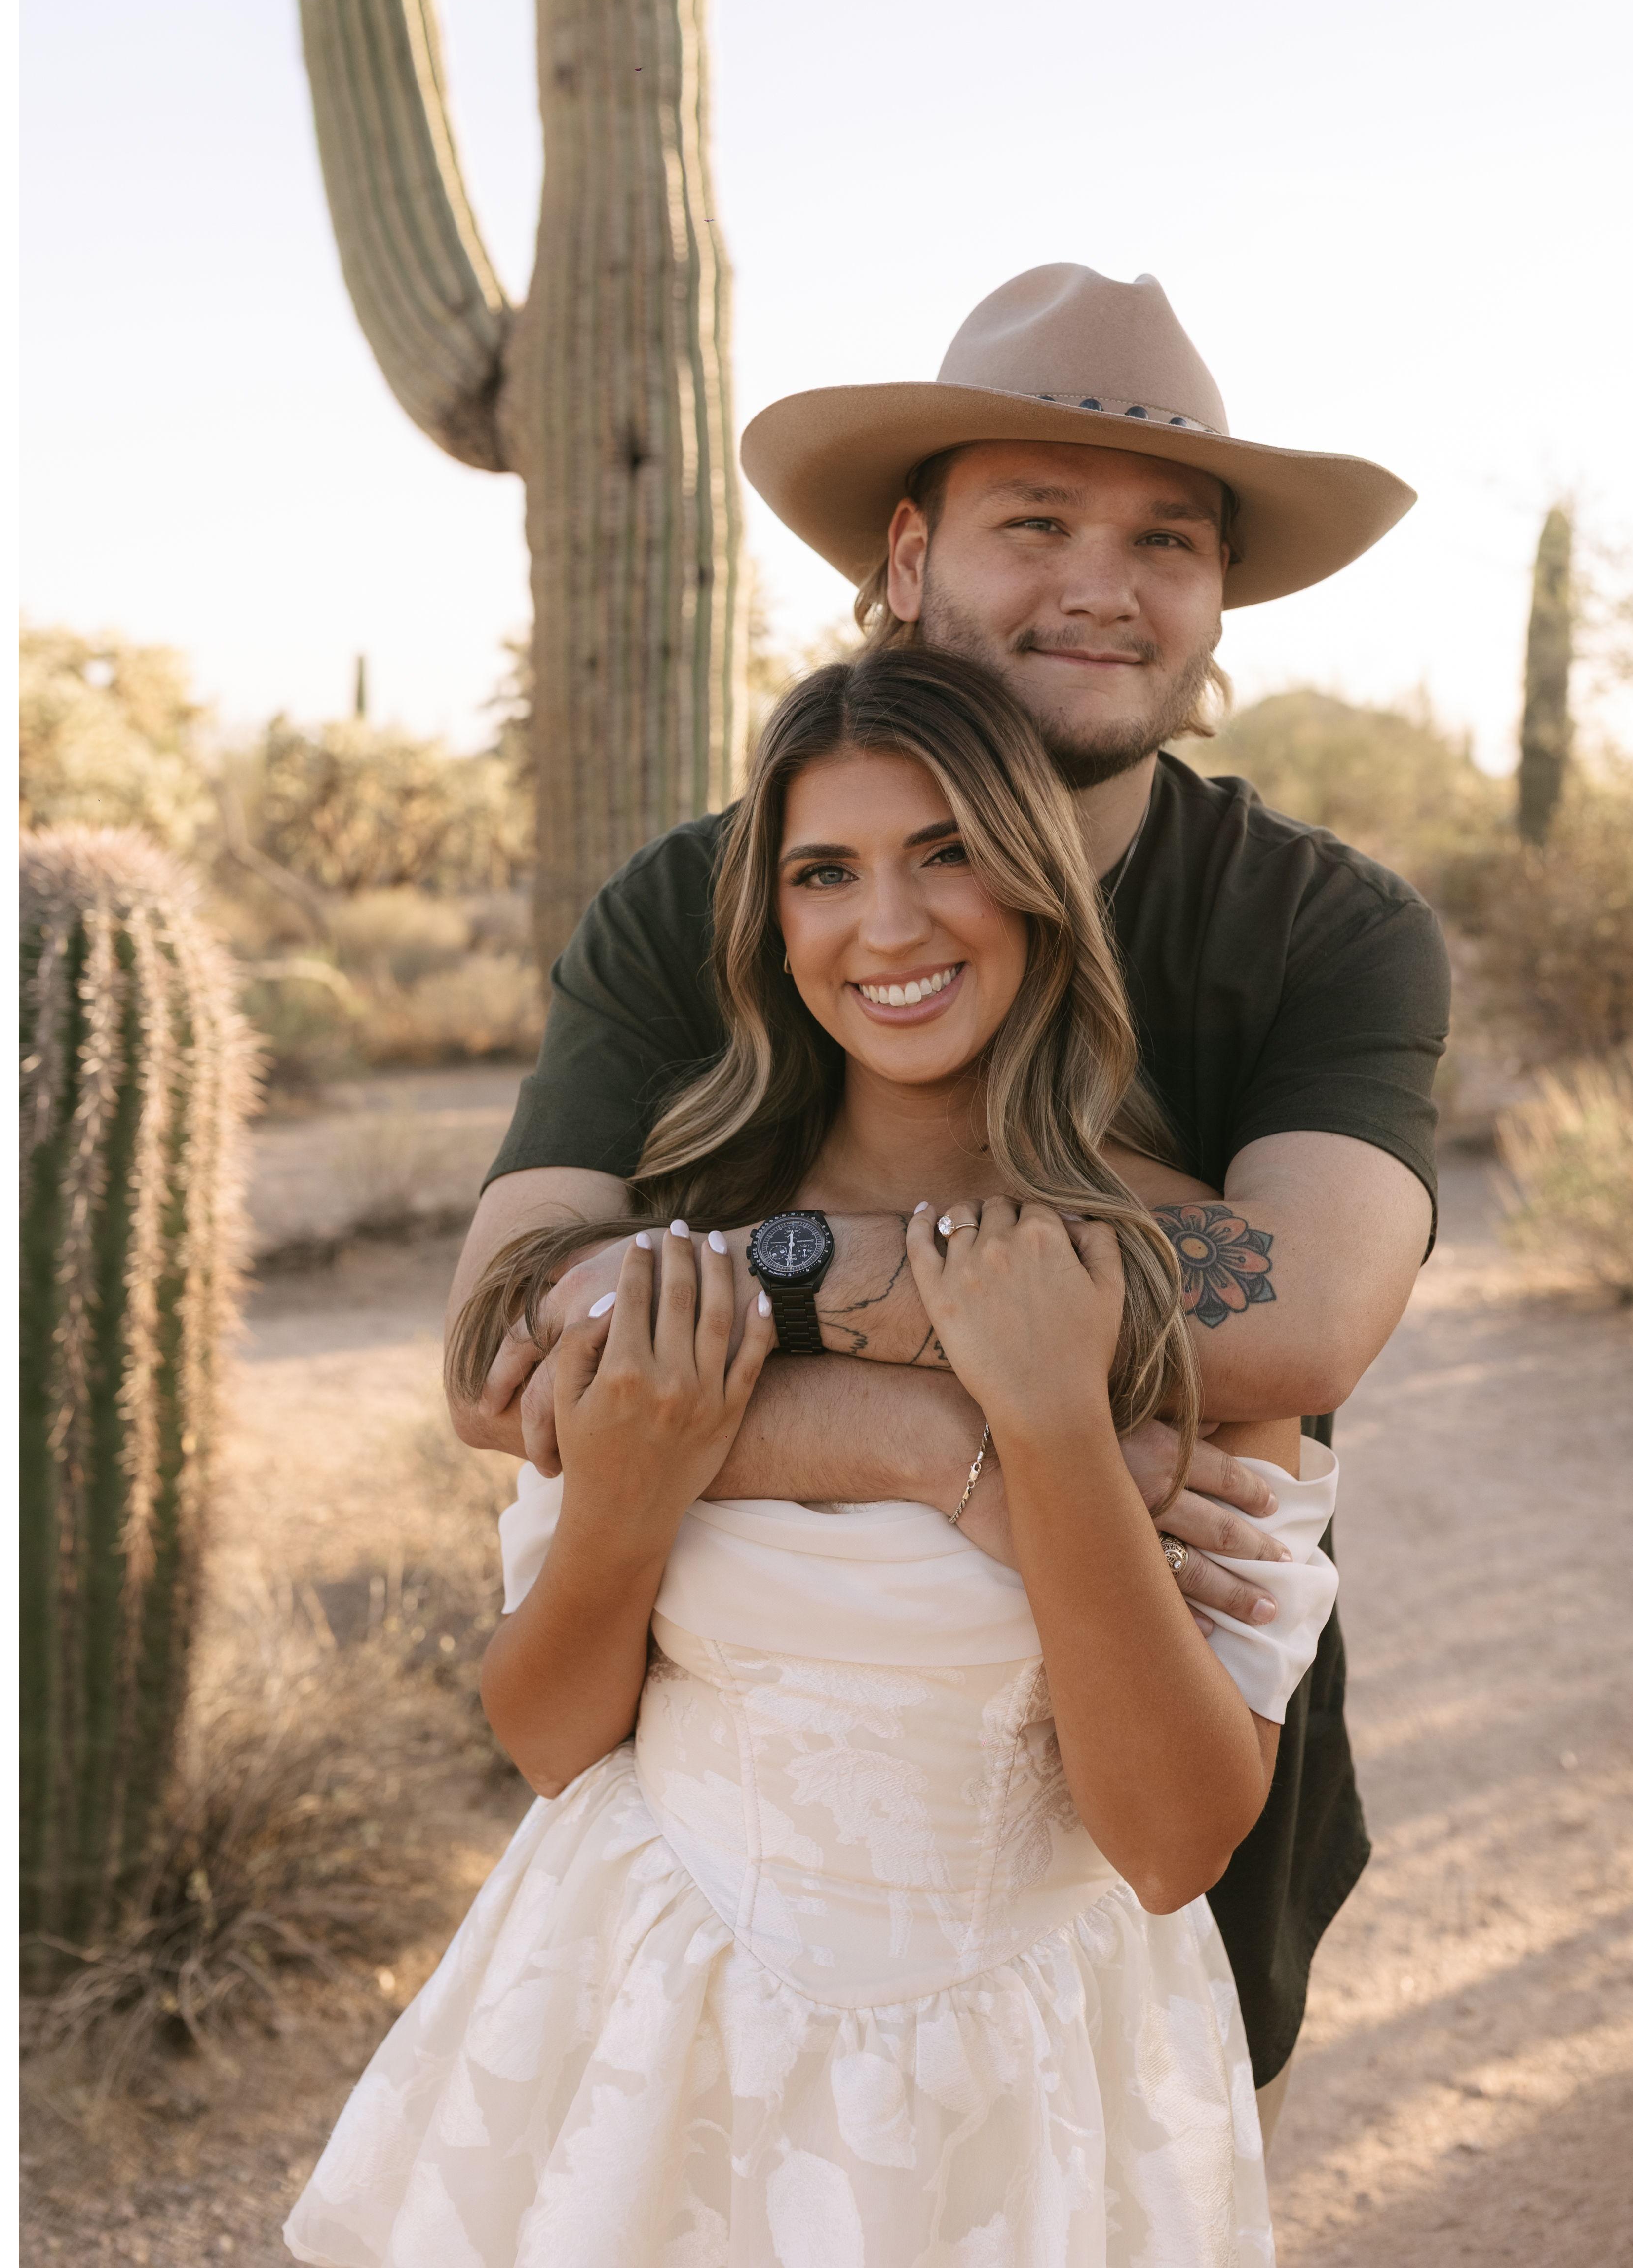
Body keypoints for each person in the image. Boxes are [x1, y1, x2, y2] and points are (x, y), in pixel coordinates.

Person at [453, 262, 1451, 2133]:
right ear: (907, 560)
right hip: (724, 1874)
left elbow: (1304, 1316)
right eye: (1038, 524)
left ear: (1219, 594)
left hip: (1166, 1695)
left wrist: (721, 1303)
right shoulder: (702, 901)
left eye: (1168, 538)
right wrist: (958, 1437)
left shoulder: (1326, 929)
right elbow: (512, 1346)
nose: (1105, 585)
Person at [286, 648, 1346, 2264]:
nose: (889, 926)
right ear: (773, 929)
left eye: (949, 854)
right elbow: (549, 1738)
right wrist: (654, 1489)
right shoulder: (672, 1259)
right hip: (649, 2035)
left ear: (1042, 884)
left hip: (1016, 2098)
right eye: (826, 873)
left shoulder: (1190, 1297)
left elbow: (1171, 1844)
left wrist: (1054, 1433)